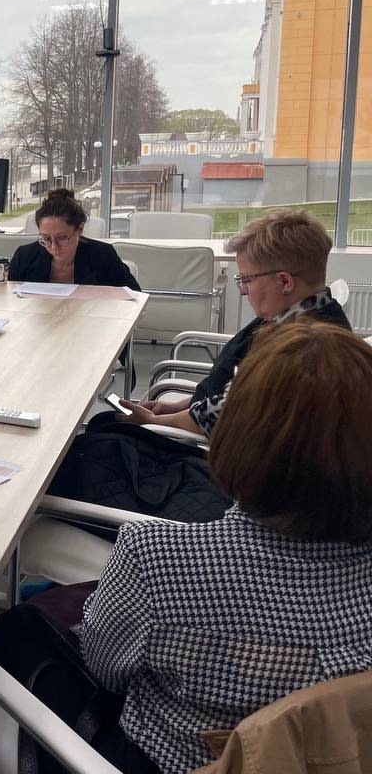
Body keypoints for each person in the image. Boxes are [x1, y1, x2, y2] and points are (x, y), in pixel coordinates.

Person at [76, 321, 372, 774]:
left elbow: (105, 669)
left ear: (236, 433)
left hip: (170, 758)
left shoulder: (156, 558)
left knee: (22, 633)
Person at [49, 208, 351, 521]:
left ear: (285, 281)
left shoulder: (298, 352)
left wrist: (153, 420)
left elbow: (219, 419)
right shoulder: (306, 318)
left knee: (73, 460)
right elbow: (228, 397)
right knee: (102, 433)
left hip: (238, 493)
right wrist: (178, 406)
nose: (242, 290)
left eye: (246, 279)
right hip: (244, 469)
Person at [9, 188, 138, 289]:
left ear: (80, 229)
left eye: (61, 238)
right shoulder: (24, 257)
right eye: (46, 239)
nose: (54, 247)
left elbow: (134, 296)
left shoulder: (103, 256)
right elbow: (11, 301)